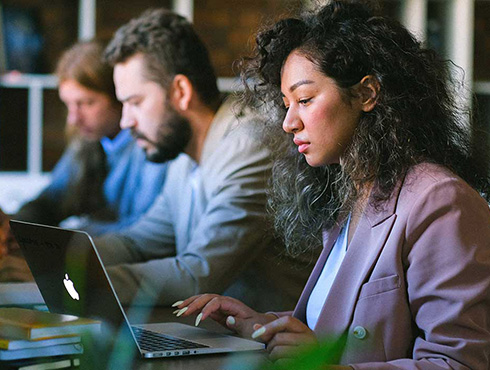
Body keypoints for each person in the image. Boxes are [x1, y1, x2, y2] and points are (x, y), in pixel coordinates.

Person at [173, 1, 490, 368]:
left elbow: (460, 363)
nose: (288, 122)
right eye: (286, 103)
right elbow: (340, 328)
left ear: (367, 94)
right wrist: (263, 326)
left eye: (305, 99)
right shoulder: (354, 194)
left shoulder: (439, 200)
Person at [87, 8, 314, 311]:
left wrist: (81, 279)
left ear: (180, 91)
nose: (126, 121)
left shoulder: (250, 146)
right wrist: (60, 254)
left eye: (135, 102)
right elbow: (138, 243)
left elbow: (199, 274)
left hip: (276, 350)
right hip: (223, 340)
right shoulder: (185, 156)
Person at [0, 41, 168, 278]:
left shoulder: (151, 146)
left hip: (133, 274)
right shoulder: (89, 141)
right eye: (68, 104)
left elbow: (143, 232)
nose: (73, 119)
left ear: (119, 96)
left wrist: (64, 236)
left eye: (86, 103)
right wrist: (17, 227)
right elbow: (51, 200)